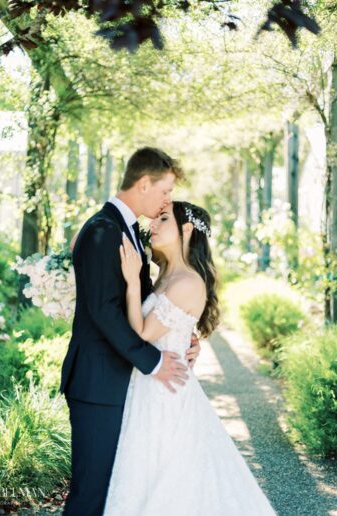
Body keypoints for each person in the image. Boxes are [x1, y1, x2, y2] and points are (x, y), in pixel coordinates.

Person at [102, 200, 277, 516]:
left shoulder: (187, 281)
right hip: (151, 387)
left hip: (166, 393)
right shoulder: (167, 276)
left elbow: (142, 333)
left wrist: (131, 281)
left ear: (186, 229)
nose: (152, 225)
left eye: (163, 219)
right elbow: (172, 327)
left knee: (170, 479)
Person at [59, 147, 201, 515]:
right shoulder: (104, 230)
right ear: (143, 184)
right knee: (90, 494)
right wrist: (153, 361)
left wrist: (184, 336)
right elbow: (104, 311)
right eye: (165, 191)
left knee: (112, 491)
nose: (168, 199)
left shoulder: (125, 229)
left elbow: (150, 305)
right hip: (98, 383)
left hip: (120, 383)